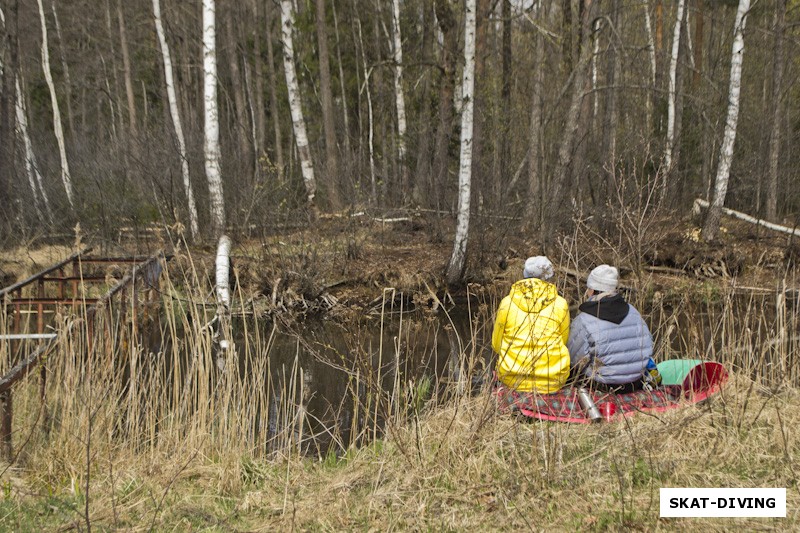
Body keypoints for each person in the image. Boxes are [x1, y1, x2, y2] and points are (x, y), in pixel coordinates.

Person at [567, 264, 658, 392]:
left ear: (592, 290)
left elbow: (574, 358)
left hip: (602, 385)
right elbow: (648, 346)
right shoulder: (634, 312)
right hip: (635, 382)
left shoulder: (583, 319)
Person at [492, 256, 570, 393]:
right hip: (552, 379)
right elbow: (563, 340)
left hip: (512, 378)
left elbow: (496, 344)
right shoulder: (560, 303)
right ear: (549, 277)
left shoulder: (507, 302)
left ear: (524, 275)